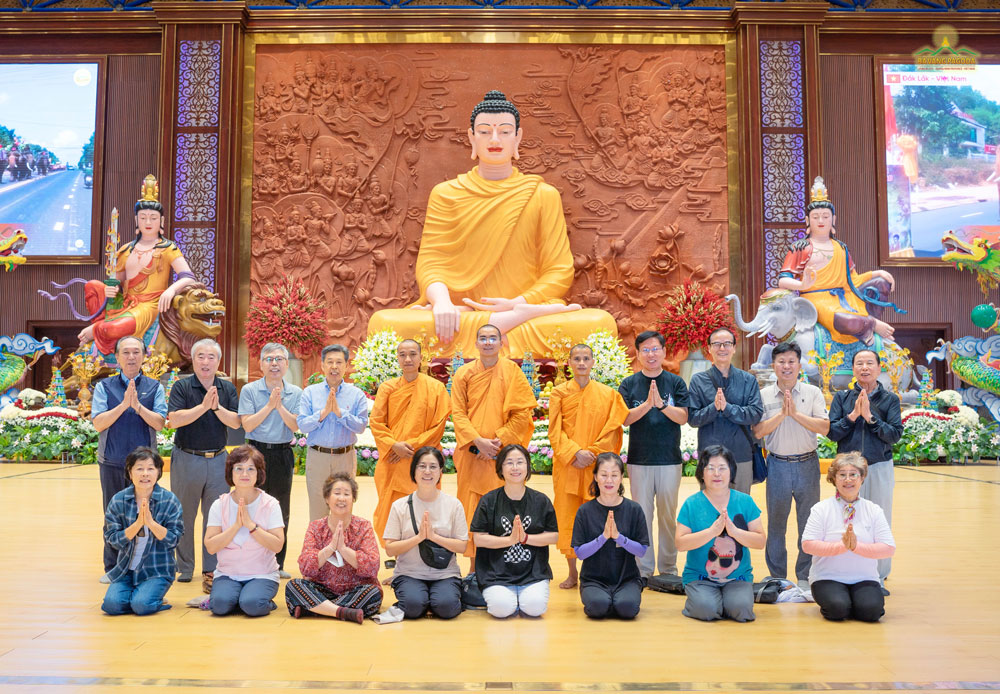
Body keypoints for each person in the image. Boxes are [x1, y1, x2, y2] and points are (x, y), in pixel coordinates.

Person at [367, 89, 616, 357]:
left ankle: (503, 322)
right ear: (471, 137)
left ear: (517, 137)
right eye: (485, 131)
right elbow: (431, 263)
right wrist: (441, 303)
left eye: (505, 131)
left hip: (525, 313)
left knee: (597, 325)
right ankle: (495, 325)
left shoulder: (542, 195)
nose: (494, 139)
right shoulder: (447, 193)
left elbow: (559, 271)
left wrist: (519, 303)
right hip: (460, 314)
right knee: (385, 325)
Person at [78, 175, 198, 354]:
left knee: (112, 329)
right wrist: (112, 289)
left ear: (161, 221)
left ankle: (97, 331)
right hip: (127, 302)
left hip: (148, 305)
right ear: (136, 220)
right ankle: (102, 328)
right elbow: (116, 283)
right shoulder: (126, 250)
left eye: (153, 218)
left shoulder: (167, 248)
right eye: (143, 217)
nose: (148, 223)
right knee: (92, 286)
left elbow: (188, 277)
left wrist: (171, 290)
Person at [778, 176, 900, 345]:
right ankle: (871, 324)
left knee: (880, 283)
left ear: (833, 220)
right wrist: (802, 285)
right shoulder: (800, 247)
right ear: (807, 220)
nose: (821, 221)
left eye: (825, 216)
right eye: (815, 217)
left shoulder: (841, 248)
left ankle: (865, 327)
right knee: (845, 320)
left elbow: (854, 280)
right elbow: (783, 281)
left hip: (845, 297)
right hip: (817, 299)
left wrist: (877, 273)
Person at [451, 324, 536, 560]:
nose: (488, 342)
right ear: (476, 343)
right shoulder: (463, 374)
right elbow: (457, 413)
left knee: (503, 508)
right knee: (471, 509)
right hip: (472, 455)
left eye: (492, 338)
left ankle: (503, 561)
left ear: (501, 343)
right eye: (483, 338)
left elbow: (522, 415)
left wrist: (497, 443)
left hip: (502, 457)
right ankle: (474, 567)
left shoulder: (513, 372)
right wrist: (478, 443)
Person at [549, 343, 628, 589]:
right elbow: (555, 430)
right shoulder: (559, 393)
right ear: (570, 363)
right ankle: (572, 573)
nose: (581, 363)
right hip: (569, 465)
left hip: (597, 468)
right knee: (569, 518)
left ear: (593, 362)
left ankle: (595, 572)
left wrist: (591, 454)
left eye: (586, 358)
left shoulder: (608, 394)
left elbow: (613, 429)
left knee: (598, 517)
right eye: (577, 359)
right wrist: (574, 453)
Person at [166, 338, 241, 591]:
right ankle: (185, 567)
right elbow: (174, 420)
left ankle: (211, 568)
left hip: (218, 459)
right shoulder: (182, 386)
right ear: (193, 359)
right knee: (184, 515)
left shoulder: (226, 389)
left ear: (218, 362)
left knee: (216, 517)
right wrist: (202, 407)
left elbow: (235, 422)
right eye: (200, 356)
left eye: (211, 357)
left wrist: (216, 406)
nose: (205, 361)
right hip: (187, 458)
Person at [753, 342, 829, 587]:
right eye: (781, 362)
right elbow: (758, 432)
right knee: (776, 523)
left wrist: (795, 414)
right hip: (777, 465)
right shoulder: (763, 395)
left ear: (799, 365)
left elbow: (824, 427)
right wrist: (782, 415)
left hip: (807, 464)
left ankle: (805, 576)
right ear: (773, 365)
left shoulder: (812, 392)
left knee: (808, 522)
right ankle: (777, 577)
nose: (786, 366)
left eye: (791, 361)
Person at [92, 336, 167, 582]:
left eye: (136, 352)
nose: (131, 357)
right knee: (113, 515)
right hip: (113, 461)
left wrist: (138, 407)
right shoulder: (104, 387)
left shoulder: (155, 386)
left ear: (144, 356)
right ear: (117, 357)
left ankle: (143, 565)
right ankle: (113, 567)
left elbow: (160, 423)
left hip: (145, 468)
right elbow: (98, 423)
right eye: (126, 352)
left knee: (145, 513)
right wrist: (124, 405)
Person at [617, 330, 689, 579]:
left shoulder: (676, 382)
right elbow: (624, 419)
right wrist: (647, 404)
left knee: (668, 517)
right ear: (637, 354)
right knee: (642, 516)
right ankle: (643, 570)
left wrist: (662, 405)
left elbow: (683, 417)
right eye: (645, 349)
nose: (650, 354)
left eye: (655, 348)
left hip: (669, 459)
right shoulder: (629, 384)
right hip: (639, 460)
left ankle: (668, 569)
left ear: (664, 352)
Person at [827, 349, 902, 587]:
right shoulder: (842, 398)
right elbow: (833, 432)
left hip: (878, 466)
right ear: (854, 369)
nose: (865, 368)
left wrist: (870, 418)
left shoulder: (890, 400)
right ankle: (847, 570)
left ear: (879, 368)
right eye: (859, 363)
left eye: (870, 363)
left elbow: (894, 435)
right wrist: (852, 416)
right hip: (848, 472)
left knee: (879, 519)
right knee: (846, 518)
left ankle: (878, 576)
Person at [370, 339, 451, 546]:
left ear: (421, 357)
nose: (408, 359)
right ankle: (394, 550)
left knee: (425, 507)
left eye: (413, 354)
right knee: (392, 507)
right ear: (397, 358)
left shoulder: (435, 388)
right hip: (393, 460)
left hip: (424, 460)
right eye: (403, 354)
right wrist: (393, 445)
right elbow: (377, 422)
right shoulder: (388, 388)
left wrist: (409, 446)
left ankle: (426, 551)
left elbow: (438, 426)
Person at [675, 445, 765, 623]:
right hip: (700, 578)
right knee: (706, 610)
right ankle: (710, 602)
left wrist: (735, 532)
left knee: (741, 610)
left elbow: (760, 541)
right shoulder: (691, 504)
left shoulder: (744, 501)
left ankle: (725, 602)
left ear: (731, 472)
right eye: (711, 468)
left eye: (722, 468)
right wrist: (711, 532)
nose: (717, 474)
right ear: (702, 473)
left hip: (737, 578)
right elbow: (680, 543)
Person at [802, 452, 895, 622]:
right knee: (838, 610)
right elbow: (808, 545)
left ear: (862, 478)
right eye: (842, 475)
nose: (848, 480)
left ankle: (856, 602)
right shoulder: (821, 509)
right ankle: (844, 602)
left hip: (864, 578)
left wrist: (855, 547)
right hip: (827, 577)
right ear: (834, 478)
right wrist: (842, 546)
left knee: (871, 613)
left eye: (853, 475)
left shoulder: (873, 510)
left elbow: (888, 548)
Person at [470, 444, 559, 618]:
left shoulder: (541, 500)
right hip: (496, 573)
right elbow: (478, 539)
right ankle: (508, 596)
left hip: (533, 572)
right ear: (501, 468)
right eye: (509, 462)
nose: (515, 467)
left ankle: (522, 594)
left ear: (527, 466)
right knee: (501, 610)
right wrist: (509, 541)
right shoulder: (489, 500)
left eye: (520, 462)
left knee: (535, 608)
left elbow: (553, 536)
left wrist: (525, 538)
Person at [239, 342, 302, 577]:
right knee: (252, 506)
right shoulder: (250, 390)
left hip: (282, 453)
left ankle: (278, 563)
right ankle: (251, 561)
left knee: (280, 508)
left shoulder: (296, 392)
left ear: (286, 364)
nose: (274, 364)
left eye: (279, 359)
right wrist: (269, 406)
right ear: (261, 364)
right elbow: (247, 424)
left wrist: (280, 406)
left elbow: (295, 425)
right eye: (269, 359)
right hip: (255, 454)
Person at [383, 447, 469, 620]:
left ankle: (435, 598)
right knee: (412, 608)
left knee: (447, 608)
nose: (427, 471)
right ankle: (422, 598)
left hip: (444, 573)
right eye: (422, 466)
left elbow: (462, 545)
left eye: (433, 467)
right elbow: (390, 549)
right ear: (413, 470)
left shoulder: (454, 505)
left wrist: (434, 537)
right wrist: (419, 538)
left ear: (440, 472)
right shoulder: (400, 506)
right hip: (409, 573)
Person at [285, 473, 383, 622]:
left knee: (373, 593)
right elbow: (305, 566)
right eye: (337, 493)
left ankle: (316, 609)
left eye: (346, 494)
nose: (341, 498)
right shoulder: (316, 527)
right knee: (294, 585)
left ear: (353, 499)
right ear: (327, 498)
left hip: (355, 589)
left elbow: (372, 566)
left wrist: (344, 549)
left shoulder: (364, 526)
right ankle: (344, 612)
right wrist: (330, 548)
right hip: (322, 589)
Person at [204, 446, 285, 617]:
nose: (244, 474)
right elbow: (211, 546)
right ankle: (236, 598)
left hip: (262, 574)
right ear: (230, 472)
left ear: (259, 473)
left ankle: (252, 600)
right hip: (228, 574)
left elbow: (277, 545)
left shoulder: (270, 504)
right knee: (218, 606)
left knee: (252, 605)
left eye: (250, 469)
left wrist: (251, 526)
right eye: (239, 469)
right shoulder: (220, 504)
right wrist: (235, 527)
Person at [102, 447, 183, 616]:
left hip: (157, 570)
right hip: (126, 569)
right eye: (139, 468)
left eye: (150, 468)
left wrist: (151, 523)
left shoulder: (169, 500)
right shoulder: (119, 500)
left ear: (158, 472)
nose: (145, 474)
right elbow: (112, 540)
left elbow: (174, 539)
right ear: (130, 472)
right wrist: (137, 524)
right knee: (111, 606)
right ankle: (138, 597)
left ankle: (149, 599)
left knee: (142, 606)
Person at [571, 453, 649, 619]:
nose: (609, 480)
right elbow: (579, 553)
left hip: (626, 579)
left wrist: (619, 537)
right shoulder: (585, 511)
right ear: (595, 477)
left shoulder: (634, 509)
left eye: (614, 475)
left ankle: (618, 598)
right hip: (594, 579)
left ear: (621, 477)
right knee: (597, 607)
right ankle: (605, 598)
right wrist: (604, 537)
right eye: (604, 475)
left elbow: (642, 550)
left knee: (627, 608)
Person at [297, 344, 370, 521]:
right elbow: (302, 425)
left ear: (346, 365)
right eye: (330, 362)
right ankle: (319, 549)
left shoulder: (357, 395)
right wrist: (322, 414)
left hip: (344, 457)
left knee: (343, 508)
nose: (334, 367)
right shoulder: (310, 393)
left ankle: (342, 548)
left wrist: (340, 413)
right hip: (318, 456)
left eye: (339, 362)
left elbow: (361, 426)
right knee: (317, 509)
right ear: (322, 365)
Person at [688, 328, 763, 493]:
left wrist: (727, 408)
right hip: (709, 456)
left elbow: (756, 413)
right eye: (717, 344)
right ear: (709, 348)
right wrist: (713, 408)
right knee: (710, 510)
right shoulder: (698, 381)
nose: (722, 348)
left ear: (734, 348)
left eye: (727, 344)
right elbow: (692, 418)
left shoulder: (748, 380)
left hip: (741, 455)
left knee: (740, 511)